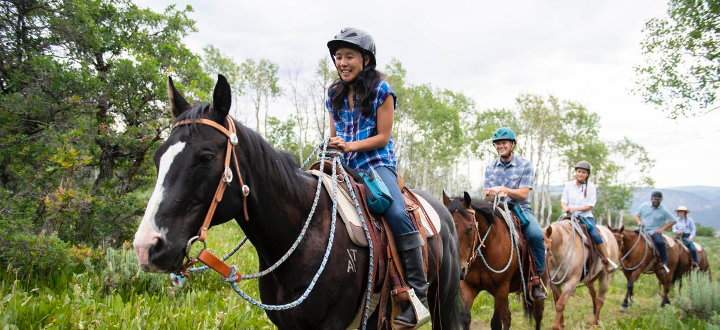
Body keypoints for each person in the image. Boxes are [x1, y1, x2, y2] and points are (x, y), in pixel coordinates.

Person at [325, 27, 428, 327]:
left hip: (376, 165)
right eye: (338, 57)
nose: (342, 62)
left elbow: (383, 137)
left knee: (396, 213)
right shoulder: (333, 95)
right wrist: (333, 147)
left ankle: (417, 295)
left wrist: (349, 145)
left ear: (366, 60)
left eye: (349, 56)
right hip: (343, 165)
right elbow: (336, 137)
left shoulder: (383, 91)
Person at [483, 127, 546, 301]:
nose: (500, 146)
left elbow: (524, 193)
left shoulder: (525, 165)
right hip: (495, 210)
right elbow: (486, 194)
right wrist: (491, 194)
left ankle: (536, 279)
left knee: (535, 235)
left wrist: (504, 190)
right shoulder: (490, 167)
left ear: (512, 144)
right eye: (497, 144)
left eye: (503, 143)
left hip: (519, 210)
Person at [561, 161, 618, 271]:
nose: (580, 174)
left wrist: (574, 209)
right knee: (555, 231)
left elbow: (589, 206)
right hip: (568, 216)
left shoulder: (591, 187)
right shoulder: (568, 185)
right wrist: (565, 207)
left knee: (595, 235)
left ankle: (607, 260)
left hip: (585, 217)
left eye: (583, 172)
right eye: (578, 171)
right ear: (575, 172)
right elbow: (563, 201)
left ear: (587, 174)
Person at [635, 191, 677, 275]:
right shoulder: (644, 206)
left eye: (658, 200)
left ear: (661, 200)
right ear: (651, 199)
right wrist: (639, 221)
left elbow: (673, 220)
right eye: (655, 199)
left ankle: (664, 262)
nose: (656, 201)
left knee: (660, 242)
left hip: (654, 231)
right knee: (629, 238)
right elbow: (637, 215)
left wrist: (662, 228)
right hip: (642, 229)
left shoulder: (664, 210)